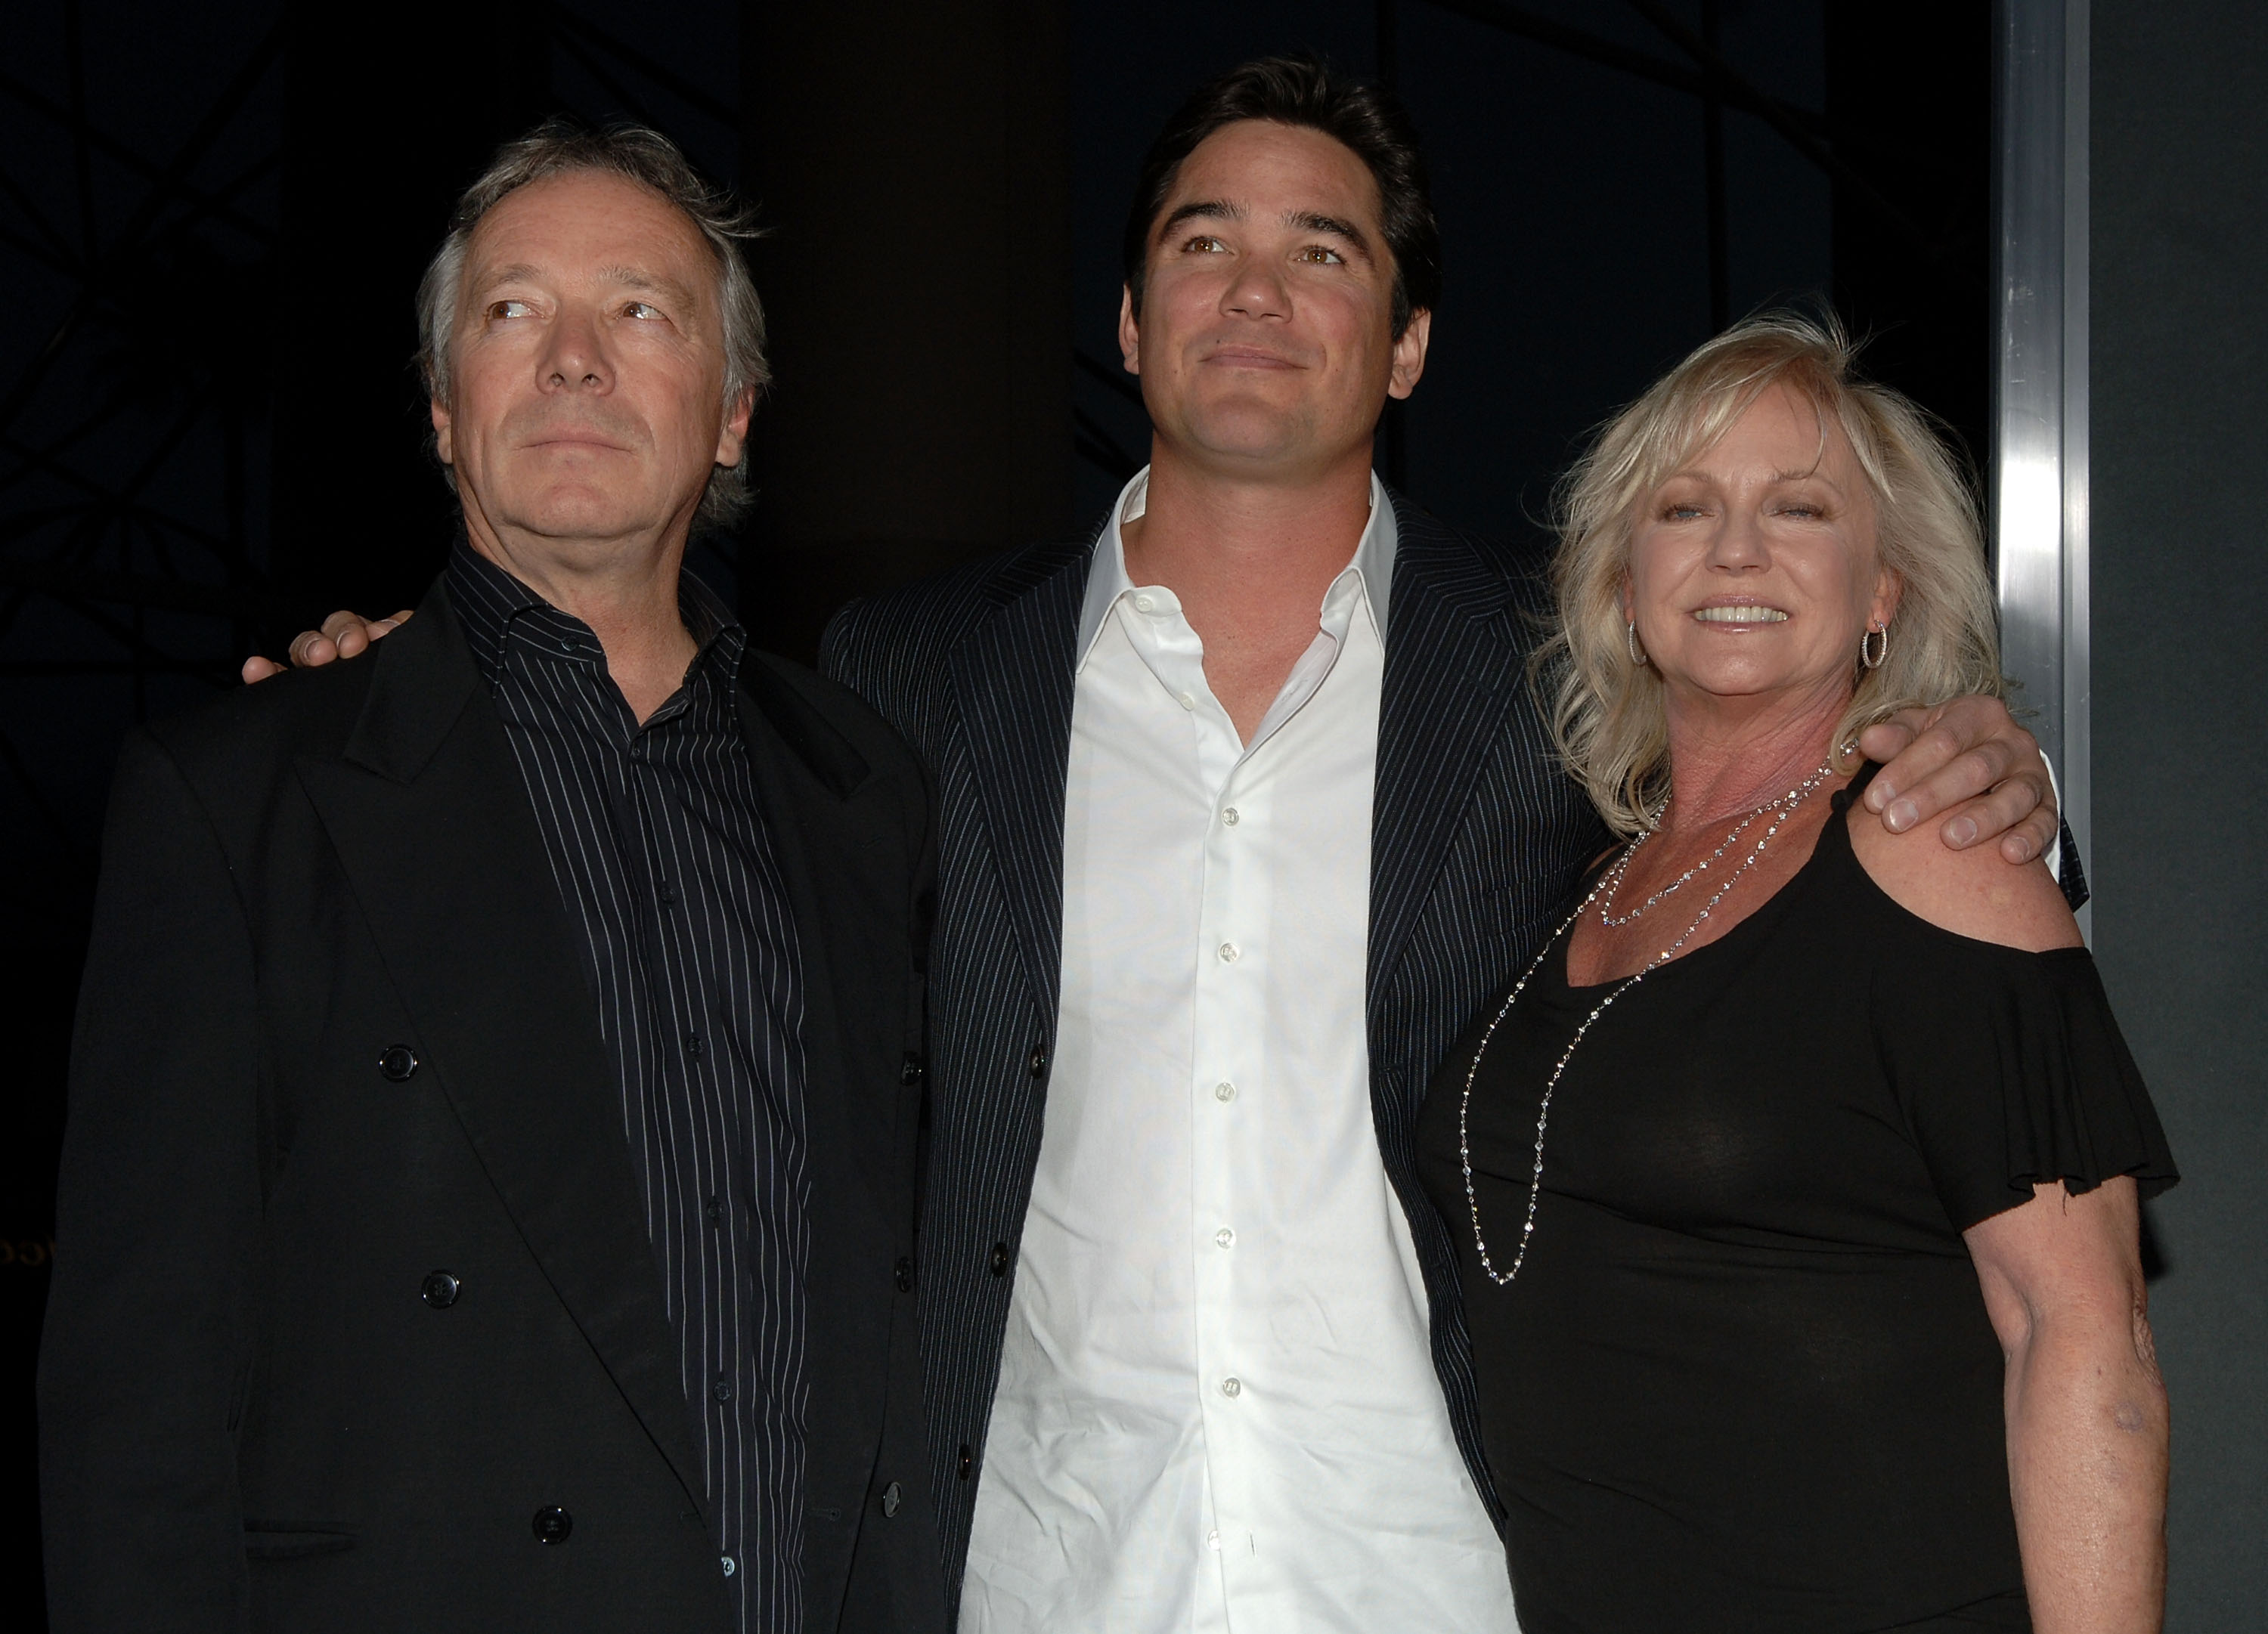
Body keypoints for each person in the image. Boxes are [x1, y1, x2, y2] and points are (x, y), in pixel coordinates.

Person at [271, 60, 2075, 1633]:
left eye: (1326, 251)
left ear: (1413, 339)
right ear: (1129, 321)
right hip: (1046, 1578)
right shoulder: (907, 685)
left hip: (1446, 1578)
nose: (1255, 292)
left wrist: (1956, 756)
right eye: (1201, 242)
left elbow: (1768, 864)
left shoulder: (1560, 684)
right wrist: (412, 688)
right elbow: (659, 889)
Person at [41, 123, 947, 1634]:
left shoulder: (867, 793)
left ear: (732, 410)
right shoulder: (241, 797)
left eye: (642, 312)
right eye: (514, 311)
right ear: (447, 408)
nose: (576, 360)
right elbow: (137, 1409)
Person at [1416, 313, 2176, 1632]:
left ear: (1885, 591)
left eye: (1803, 508)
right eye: (1686, 506)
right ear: (1623, 584)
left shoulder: (1942, 847)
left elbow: (2086, 1346)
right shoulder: (1591, 883)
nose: (1737, 547)